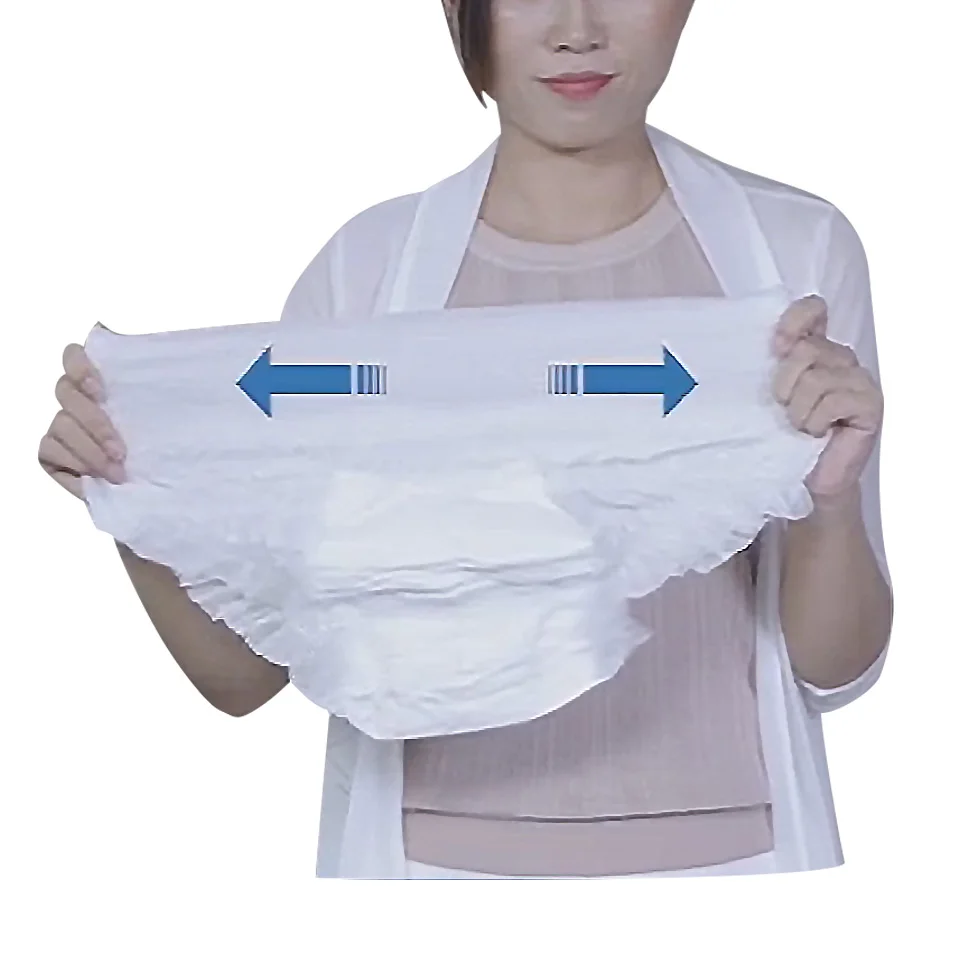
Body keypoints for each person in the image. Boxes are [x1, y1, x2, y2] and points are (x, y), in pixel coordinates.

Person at [38, 0, 893, 879]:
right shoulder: (367, 274)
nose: (577, 29)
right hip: (429, 869)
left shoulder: (794, 258)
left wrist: (829, 502)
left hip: (736, 863)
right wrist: (131, 491)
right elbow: (248, 679)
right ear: (457, 8)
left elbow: (835, 668)